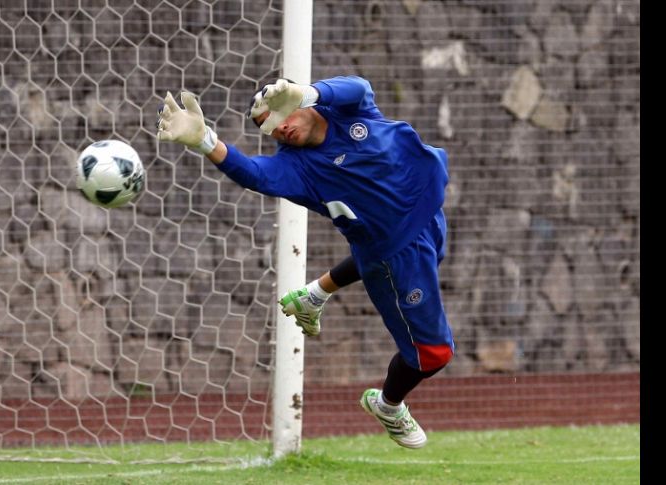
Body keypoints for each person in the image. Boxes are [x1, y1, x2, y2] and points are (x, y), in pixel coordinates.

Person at [156, 76, 455, 449]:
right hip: (398, 258)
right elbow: (254, 173)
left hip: (428, 217)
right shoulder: (298, 167)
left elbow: (358, 86)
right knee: (433, 353)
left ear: (302, 102)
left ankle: (313, 294)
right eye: (270, 128)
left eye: (281, 114)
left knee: (377, 231)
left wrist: (309, 92)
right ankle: (389, 405)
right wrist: (205, 141)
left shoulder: (348, 110)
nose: (280, 128)